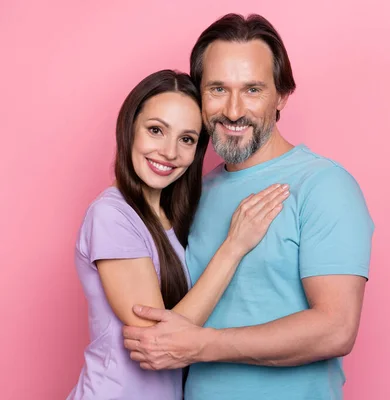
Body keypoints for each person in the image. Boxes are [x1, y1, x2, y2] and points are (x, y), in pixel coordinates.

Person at [123, 14, 375, 400]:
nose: (234, 110)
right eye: (218, 89)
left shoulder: (324, 186)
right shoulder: (194, 190)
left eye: (253, 90)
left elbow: (335, 328)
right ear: (199, 96)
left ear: (282, 96)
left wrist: (202, 345)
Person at [68, 69, 290, 399]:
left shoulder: (170, 218)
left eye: (186, 139)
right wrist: (234, 247)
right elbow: (159, 344)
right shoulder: (111, 215)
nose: (169, 152)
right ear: (129, 128)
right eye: (156, 130)